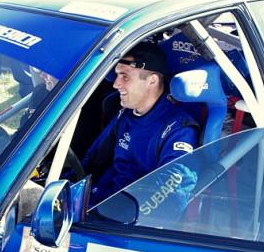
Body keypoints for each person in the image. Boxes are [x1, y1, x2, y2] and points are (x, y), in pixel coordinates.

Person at [82, 42, 199, 211]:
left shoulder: (178, 129)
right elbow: (92, 160)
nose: (115, 84)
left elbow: (172, 197)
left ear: (152, 80)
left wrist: (115, 214)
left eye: (125, 76)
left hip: (126, 218)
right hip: (100, 201)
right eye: (117, 75)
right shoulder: (125, 114)